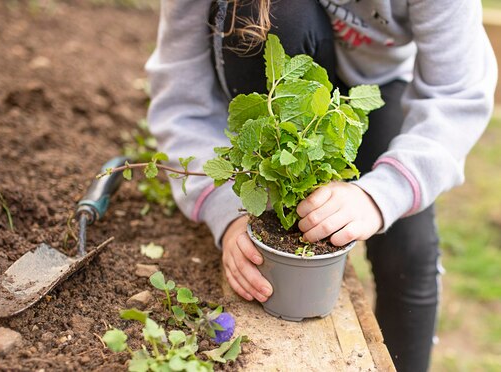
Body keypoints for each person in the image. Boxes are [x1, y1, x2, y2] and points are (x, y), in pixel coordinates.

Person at [145, 0, 497, 370]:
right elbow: (182, 103)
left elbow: (456, 93)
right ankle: (271, 218)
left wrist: (380, 196)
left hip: (378, 83)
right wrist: (230, 213)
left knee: (408, 252)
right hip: (279, 85)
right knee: (268, 13)